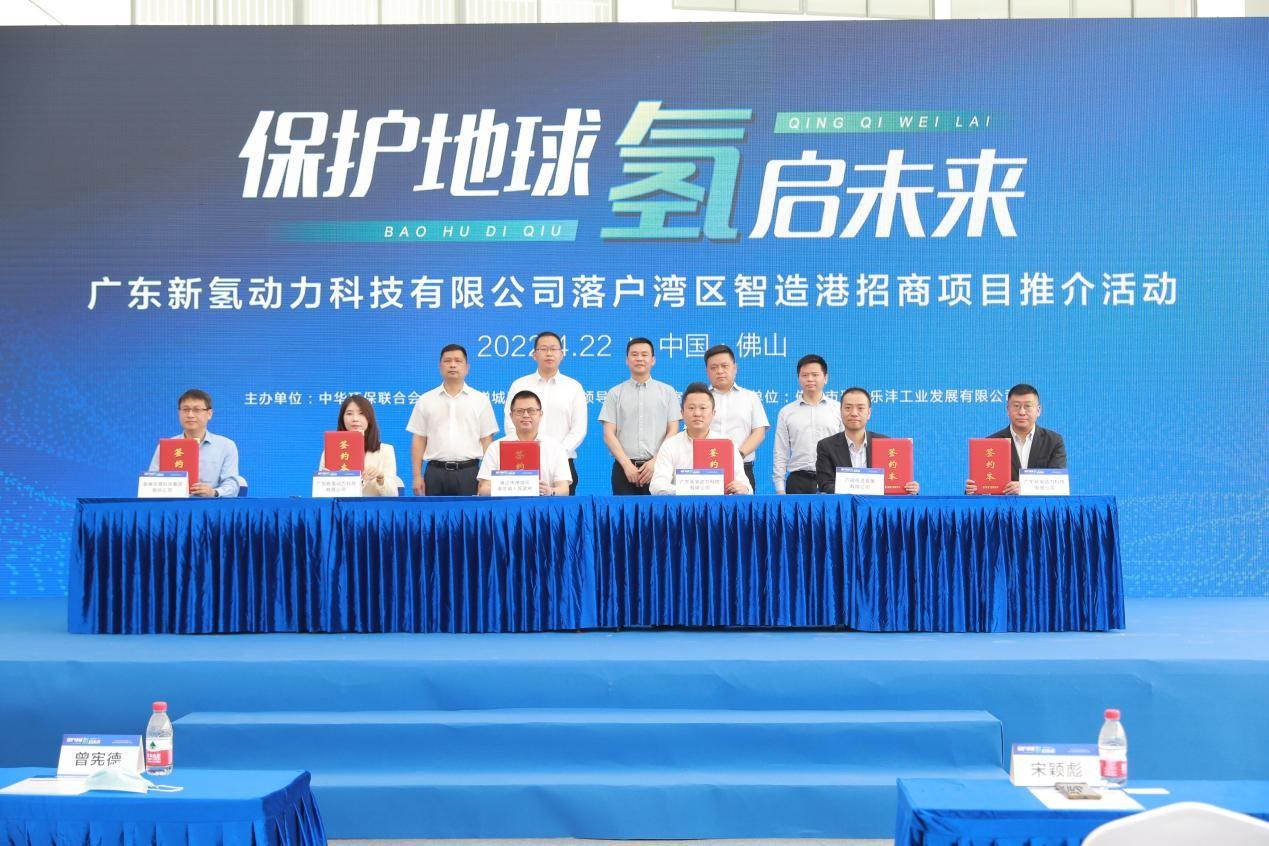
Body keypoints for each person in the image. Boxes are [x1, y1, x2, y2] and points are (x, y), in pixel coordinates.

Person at [407, 344, 498, 496]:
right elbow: (419, 439)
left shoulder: (480, 400)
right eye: (447, 361)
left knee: (469, 512)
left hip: (469, 473)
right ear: (440, 367)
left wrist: (486, 478)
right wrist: (417, 476)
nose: (452, 365)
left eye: (458, 361)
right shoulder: (426, 400)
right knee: (435, 512)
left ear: (467, 368)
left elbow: (487, 441)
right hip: (435, 473)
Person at [504, 331, 586, 494]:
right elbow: (510, 421)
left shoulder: (573, 387)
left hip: (562, 464)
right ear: (534, 355)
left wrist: (556, 454)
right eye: (543, 349)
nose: (549, 353)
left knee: (561, 509)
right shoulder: (519, 385)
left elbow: (578, 429)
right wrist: (526, 451)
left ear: (562, 355)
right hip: (522, 461)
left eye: (554, 349)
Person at [599, 337, 681, 495]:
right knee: (624, 511)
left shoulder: (668, 392)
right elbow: (608, 433)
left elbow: (673, 430)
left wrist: (656, 462)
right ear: (627, 360)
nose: (639, 358)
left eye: (644, 354)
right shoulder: (615, 393)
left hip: (659, 467)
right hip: (624, 469)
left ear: (653, 360)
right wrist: (626, 465)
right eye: (634, 354)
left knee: (659, 511)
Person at [650, 382, 752, 495]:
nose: (697, 413)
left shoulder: (726, 445)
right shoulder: (670, 445)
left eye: (703, 408)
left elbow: (747, 487)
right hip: (683, 505)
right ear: (682, 413)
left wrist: (744, 489)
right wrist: (692, 490)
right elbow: (656, 486)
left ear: (713, 413)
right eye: (691, 408)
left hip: (719, 505)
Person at [965, 383, 1066, 494]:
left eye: (1028, 406)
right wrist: (972, 490)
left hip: (1041, 505)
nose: (1022, 412)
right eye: (1016, 406)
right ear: (1008, 410)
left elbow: (1058, 483)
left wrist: (1025, 487)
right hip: (1003, 505)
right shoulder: (991, 442)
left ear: (1038, 410)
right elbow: (984, 485)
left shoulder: (1053, 441)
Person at [816, 387, 920, 494]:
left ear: (869, 413)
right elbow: (825, 485)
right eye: (848, 408)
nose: (854, 413)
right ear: (841, 411)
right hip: (844, 504)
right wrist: (862, 488)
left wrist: (910, 488)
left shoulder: (885, 443)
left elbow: (895, 483)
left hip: (877, 504)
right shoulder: (826, 446)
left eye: (860, 408)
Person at [148, 389, 241, 497]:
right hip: (173, 505)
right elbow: (152, 481)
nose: (190, 415)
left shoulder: (226, 446)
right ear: (179, 413)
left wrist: (214, 492)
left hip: (209, 505)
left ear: (209, 414)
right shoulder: (166, 446)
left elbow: (232, 485)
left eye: (197, 410)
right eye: (185, 409)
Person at [478, 390, 571, 497]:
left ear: (540, 414)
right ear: (511, 415)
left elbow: (564, 489)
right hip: (506, 506)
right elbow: (483, 489)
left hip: (542, 505)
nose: (526, 415)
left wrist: (550, 491)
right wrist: (508, 488)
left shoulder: (555, 447)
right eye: (520, 411)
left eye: (532, 411)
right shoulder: (495, 447)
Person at [772, 354, 842, 494]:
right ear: (798, 378)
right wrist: (780, 488)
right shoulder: (786, 412)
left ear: (825, 378)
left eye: (815, 375)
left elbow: (844, 449)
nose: (810, 379)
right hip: (798, 481)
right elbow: (781, 451)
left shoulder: (839, 409)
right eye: (804, 375)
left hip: (831, 479)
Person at [703, 344, 770, 491]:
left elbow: (759, 432)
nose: (720, 371)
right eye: (714, 367)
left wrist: (737, 456)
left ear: (735, 367)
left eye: (724, 366)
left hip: (743, 469)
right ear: (707, 371)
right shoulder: (701, 399)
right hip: (706, 470)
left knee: (743, 506)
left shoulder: (750, 397)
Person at [320, 394, 402, 496]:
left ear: (369, 418)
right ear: (342, 419)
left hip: (372, 506)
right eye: (349, 413)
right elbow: (322, 496)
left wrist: (380, 477)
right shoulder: (330, 450)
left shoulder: (386, 450)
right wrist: (325, 480)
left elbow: (393, 495)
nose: (355, 419)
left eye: (361, 413)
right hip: (341, 505)